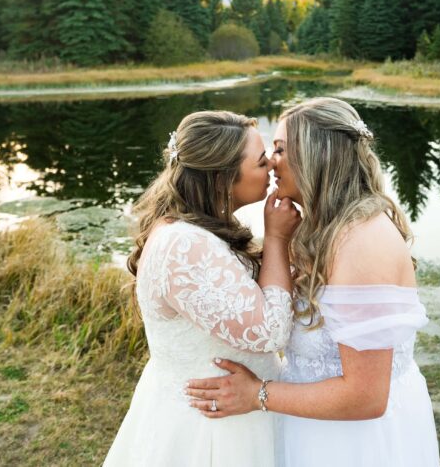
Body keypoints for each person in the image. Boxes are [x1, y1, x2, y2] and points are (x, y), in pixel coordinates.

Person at [185, 98, 440, 467]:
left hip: (356, 446)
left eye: (280, 149)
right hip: (316, 430)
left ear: (314, 155)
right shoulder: (323, 230)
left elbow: (366, 396)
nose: (271, 161)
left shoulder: (362, 241)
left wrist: (257, 394)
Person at [103, 110, 302, 467]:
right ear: (223, 178)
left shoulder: (200, 230)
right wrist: (276, 238)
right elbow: (269, 331)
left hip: (238, 413)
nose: (272, 165)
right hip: (211, 435)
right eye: (260, 161)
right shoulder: (183, 245)